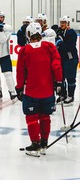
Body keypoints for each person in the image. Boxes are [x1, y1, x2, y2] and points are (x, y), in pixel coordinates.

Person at [15, 22, 63, 157]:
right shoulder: (50, 47)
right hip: (47, 91)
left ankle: (35, 143)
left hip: (32, 91)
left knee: (31, 118)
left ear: (28, 35)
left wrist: (19, 87)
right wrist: (59, 82)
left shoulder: (25, 50)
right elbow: (56, 65)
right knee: (45, 116)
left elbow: (20, 72)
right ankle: (44, 142)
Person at [55, 15, 78, 106]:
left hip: (70, 59)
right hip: (62, 58)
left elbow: (69, 47)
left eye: (64, 23)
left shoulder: (71, 32)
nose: (62, 24)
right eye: (61, 22)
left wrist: (60, 43)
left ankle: (71, 96)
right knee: (61, 78)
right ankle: (63, 95)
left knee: (70, 78)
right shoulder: (59, 31)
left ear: (68, 23)